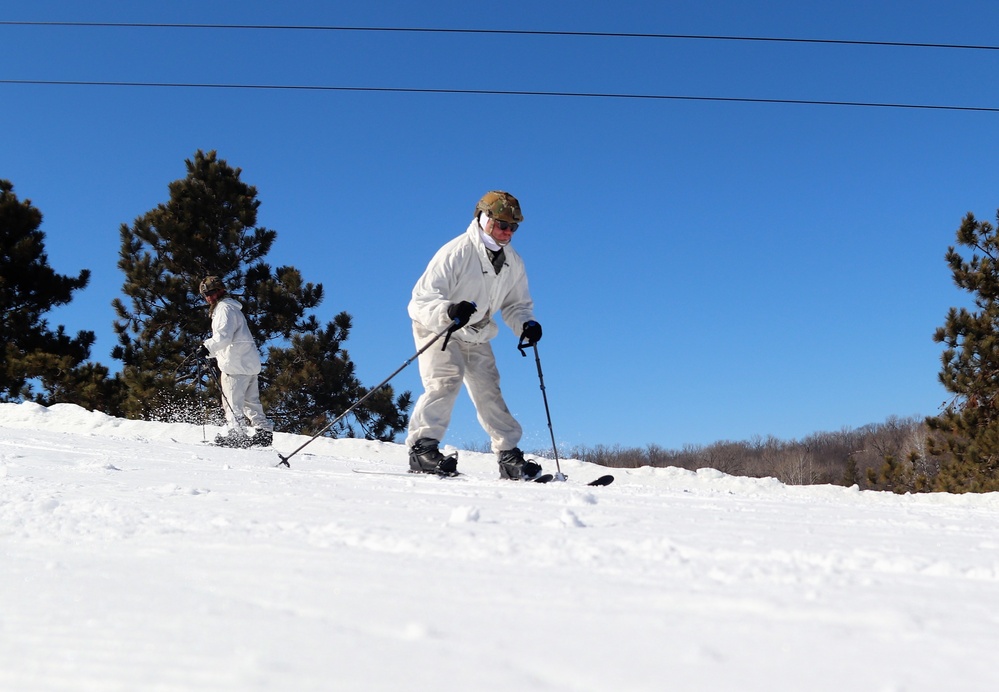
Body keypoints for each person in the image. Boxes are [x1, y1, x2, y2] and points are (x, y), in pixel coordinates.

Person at [406, 190, 545, 479]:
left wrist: (526, 324)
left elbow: (516, 304)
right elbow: (421, 300)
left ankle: (508, 456)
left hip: (477, 332)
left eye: (512, 227)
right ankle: (423, 449)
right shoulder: (456, 252)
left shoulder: (513, 262)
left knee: (489, 390)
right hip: (440, 328)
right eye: (501, 225)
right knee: (445, 381)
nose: (506, 232)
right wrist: (449, 311)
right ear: (483, 219)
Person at [198, 276, 275, 448]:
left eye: (210, 293)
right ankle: (263, 432)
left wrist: (206, 348)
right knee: (251, 401)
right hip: (248, 362)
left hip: (235, 363)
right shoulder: (233, 309)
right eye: (205, 294)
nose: (208, 297)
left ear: (220, 291)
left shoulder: (224, 309)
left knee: (232, 402)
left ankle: (236, 434)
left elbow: (223, 337)